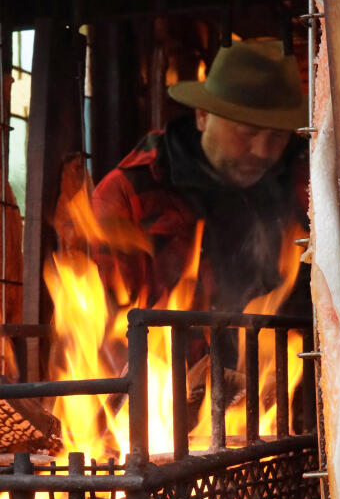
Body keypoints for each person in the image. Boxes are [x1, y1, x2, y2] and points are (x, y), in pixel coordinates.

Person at [91, 38, 310, 315]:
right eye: (248, 132)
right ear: (203, 116)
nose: (263, 152)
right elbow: (103, 324)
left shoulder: (309, 188)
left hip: (282, 356)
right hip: (165, 357)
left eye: (277, 136)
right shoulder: (130, 192)